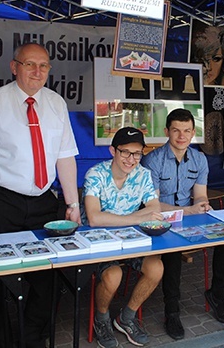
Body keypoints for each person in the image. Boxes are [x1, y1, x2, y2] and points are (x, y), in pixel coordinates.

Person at [0, 43, 80, 348]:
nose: (37, 71)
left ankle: (31, 338)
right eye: (29, 64)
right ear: (13, 67)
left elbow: (65, 156)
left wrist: (72, 204)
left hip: (44, 201)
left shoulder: (56, 103)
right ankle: (2, 342)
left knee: (49, 273)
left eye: (43, 65)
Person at [141, 108, 224, 340]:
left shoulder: (199, 158)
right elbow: (153, 207)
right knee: (173, 251)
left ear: (193, 133)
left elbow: (200, 194)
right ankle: (172, 311)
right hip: (160, 220)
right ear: (166, 132)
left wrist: (202, 205)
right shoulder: (152, 160)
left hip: (190, 216)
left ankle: (217, 295)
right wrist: (189, 210)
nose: (182, 136)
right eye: (176, 131)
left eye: (187, 131)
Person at [81, 127, 164, 348]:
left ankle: (126, 317)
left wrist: (120, 219)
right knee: (113, 275)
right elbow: (94, 219)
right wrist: (136, 217)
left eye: (137, 153)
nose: (131, 159)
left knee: (156, 268)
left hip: (131, 240)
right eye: (125, 152)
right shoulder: (95, 174)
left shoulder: (143, 175)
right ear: (112, 151)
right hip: (99, 241)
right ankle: (101, 319)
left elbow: (154, 208)